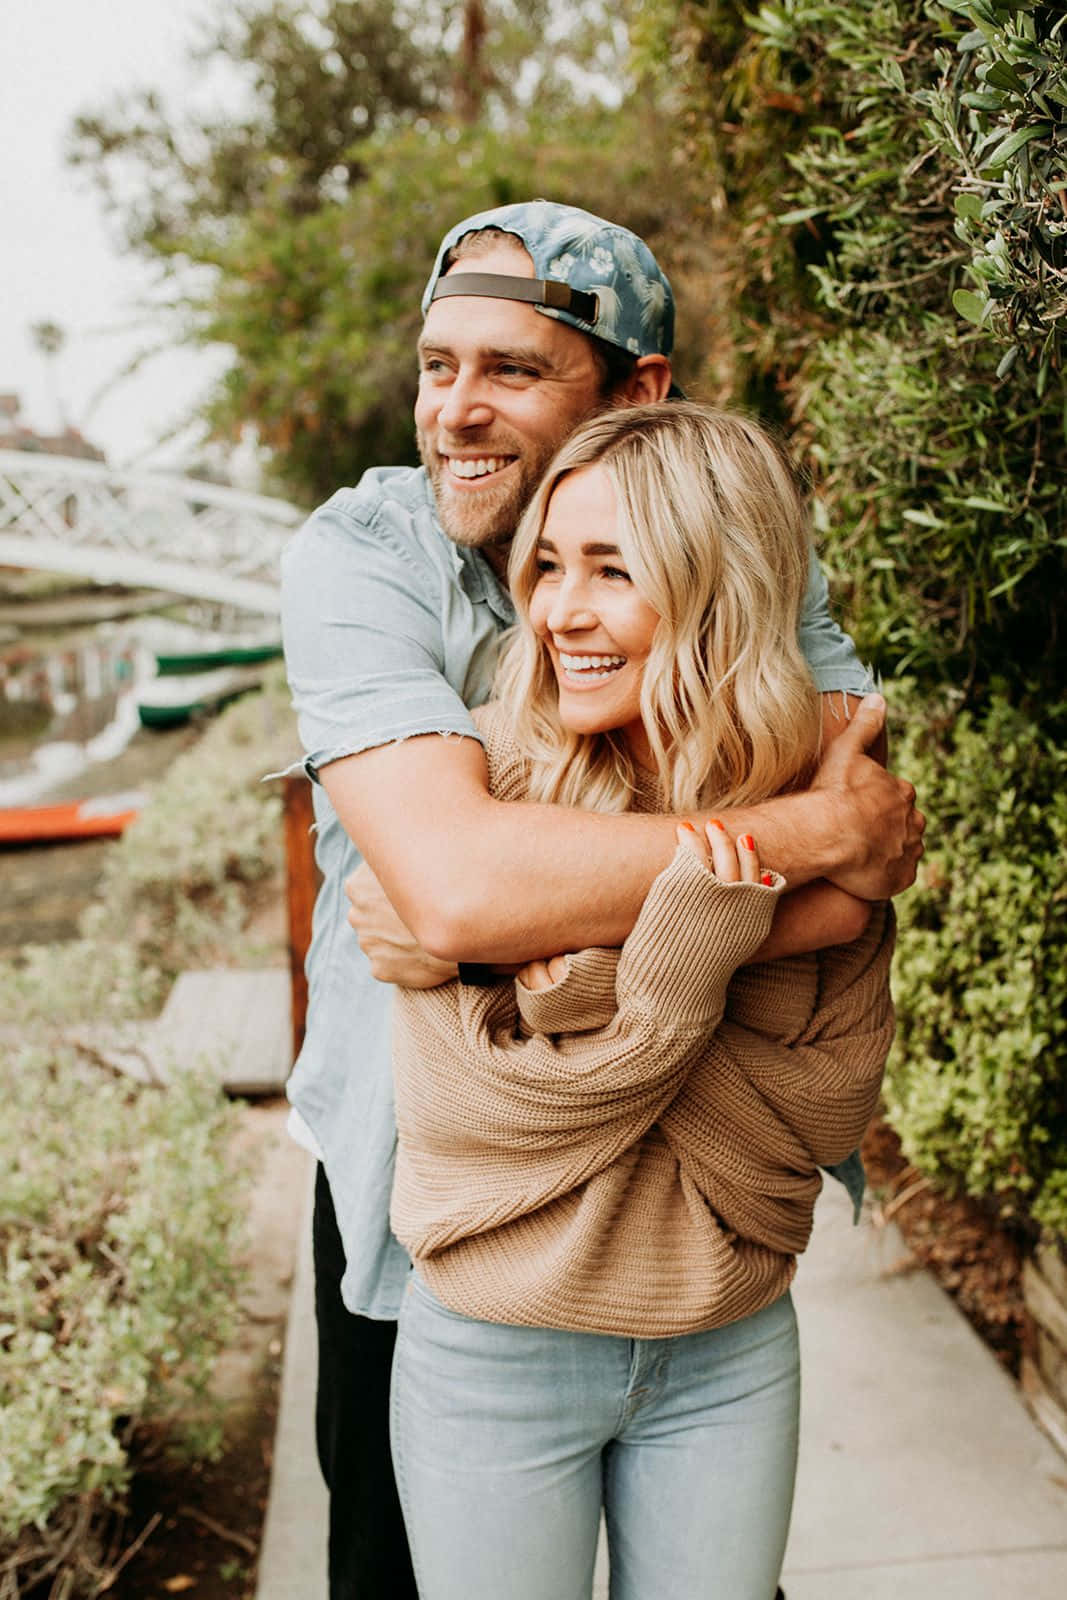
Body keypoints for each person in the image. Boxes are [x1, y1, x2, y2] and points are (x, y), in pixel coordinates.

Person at [279, 200, 924, 1598]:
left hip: (692, 1216)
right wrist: (795, 832)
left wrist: (516, 947)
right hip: (427, 1207)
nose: (455, 410)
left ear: (635, 393)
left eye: (511, 370)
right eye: (436, 364)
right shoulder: (365, 553)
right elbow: (449, 893)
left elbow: (867, 875)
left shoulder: (740, 544)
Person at [387, 402, 896, 1599]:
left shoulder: (815, 786)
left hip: (727, 1343)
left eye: (611, 570)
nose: (559, 611)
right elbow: (475, 1127)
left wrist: (596, 988)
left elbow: (822, 1116)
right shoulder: (473, 799)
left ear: (718, 585)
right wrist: (702, 969)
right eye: (549, 564)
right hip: (493, 1354)